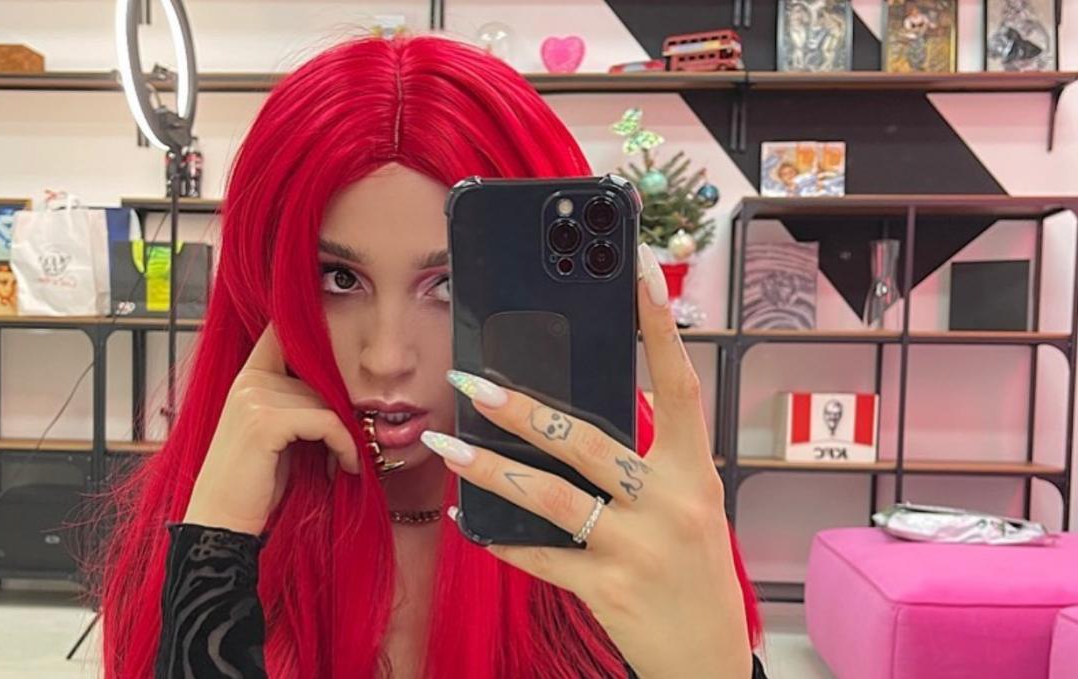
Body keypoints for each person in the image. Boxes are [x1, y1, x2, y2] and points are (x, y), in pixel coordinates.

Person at [101, 35, 769, 679]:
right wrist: (216, 547)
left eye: (449, 285)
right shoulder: (211, 514)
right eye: (338, 278)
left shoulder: (629, 537)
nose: (387, 357)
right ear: (264, 283)